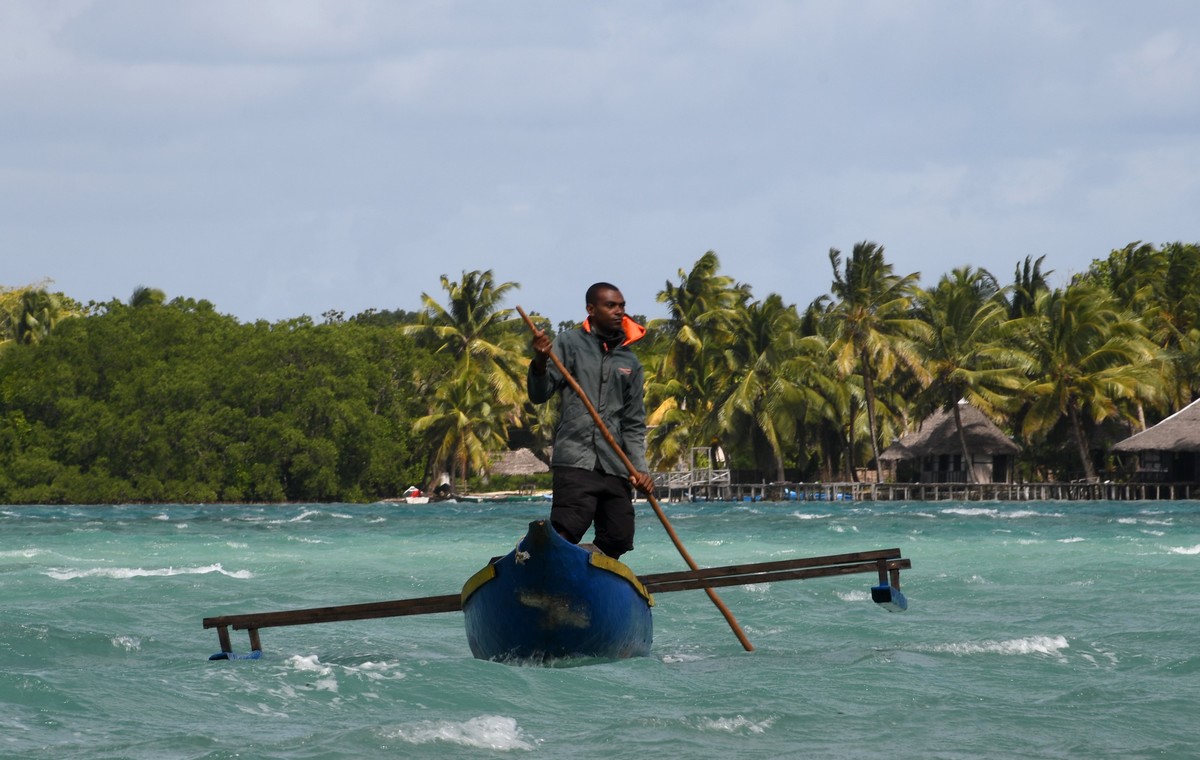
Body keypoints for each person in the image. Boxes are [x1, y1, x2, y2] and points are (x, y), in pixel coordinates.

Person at [528, 282, 656, 560]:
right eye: (611, 305)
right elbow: (540, 393)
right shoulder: (569, 343)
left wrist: (640, 470)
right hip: (576, 459)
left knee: (620, 536)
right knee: (566, 530)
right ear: (591, 309)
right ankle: (551, 569)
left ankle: (586, 572)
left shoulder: (630, 361)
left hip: (615, 463)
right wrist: (539, 361)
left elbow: (633, 423)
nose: (619, 311)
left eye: (622, 306)